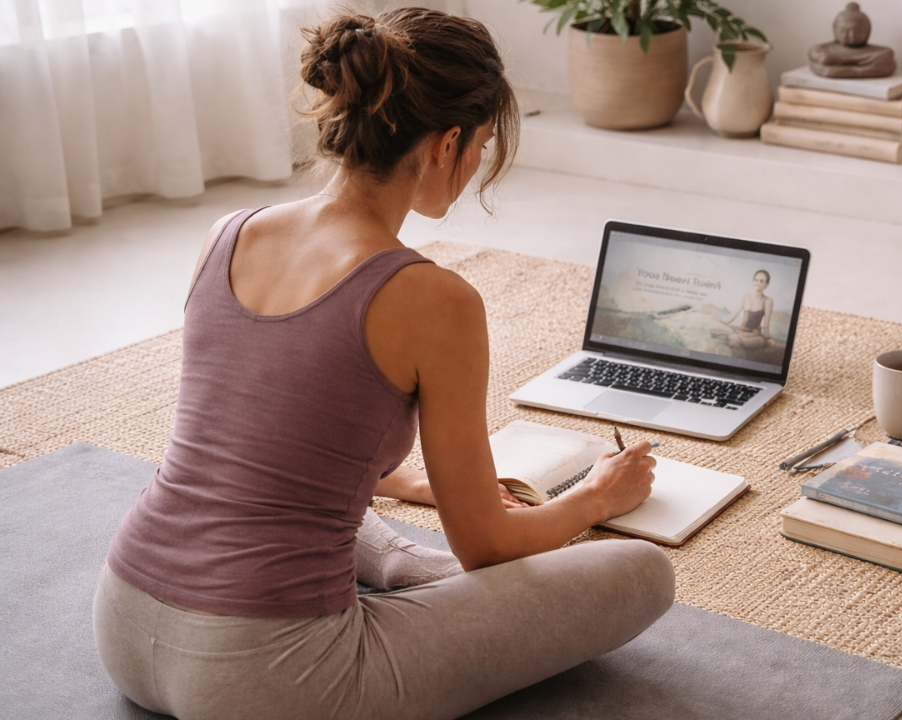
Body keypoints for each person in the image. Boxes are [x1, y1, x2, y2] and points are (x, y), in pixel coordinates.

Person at [91, 9, 674, 720]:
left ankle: (404, 566)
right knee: (641, 572)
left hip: (124, 621)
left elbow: (263, 437)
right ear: (447, 143)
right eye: (481, 146)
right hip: (266, 676)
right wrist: (595, 499)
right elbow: (487, 547)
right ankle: (416, 574)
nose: (475, 167)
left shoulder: (230, 233)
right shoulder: (433, 299)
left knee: (287, 498)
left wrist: (413, 482)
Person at [710, 270, 777, 350]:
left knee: (760, 341)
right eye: (756, 280)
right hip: (740, 330)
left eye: (761, 281)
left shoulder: (768, 301)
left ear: (766, 284)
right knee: (713, 327)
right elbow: (735, 313)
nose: (758, 283)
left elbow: (766, 324)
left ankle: (735, 340)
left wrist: (768, 338)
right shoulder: (745, 297)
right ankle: (735, 339)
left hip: (753, 334)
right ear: (753, 281)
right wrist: (722, 323)